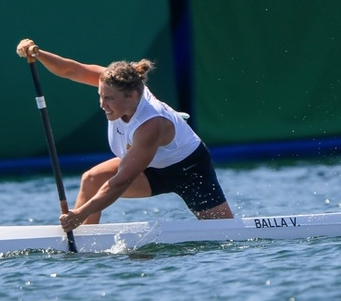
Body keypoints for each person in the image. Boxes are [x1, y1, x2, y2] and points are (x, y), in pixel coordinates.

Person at [16, 38, 233, 230]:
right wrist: (38, 54)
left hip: (189, 170)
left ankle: (77, 222)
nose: (103, 104)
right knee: (91, 179)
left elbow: (121, 182)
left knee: (226, 233)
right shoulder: (114, 83)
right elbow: (72, 70)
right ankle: (83, 241)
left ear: (131, 96)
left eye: (109, 99)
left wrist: (79, 213)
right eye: (101, 96)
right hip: (150, 167)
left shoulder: (151, 124)